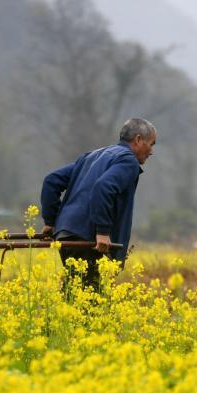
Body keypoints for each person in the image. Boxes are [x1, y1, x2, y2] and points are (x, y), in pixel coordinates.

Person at [40, 118, 157, 288]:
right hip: (88, 240)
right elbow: (103, 187)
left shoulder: (92, 156)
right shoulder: (128, 161)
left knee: (75, 291)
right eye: (151, 144)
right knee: (89, 299)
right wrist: (102, 231)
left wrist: (51, 222)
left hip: (66, 235)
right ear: (138, 140)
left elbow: (51, 181)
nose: (151, 151)